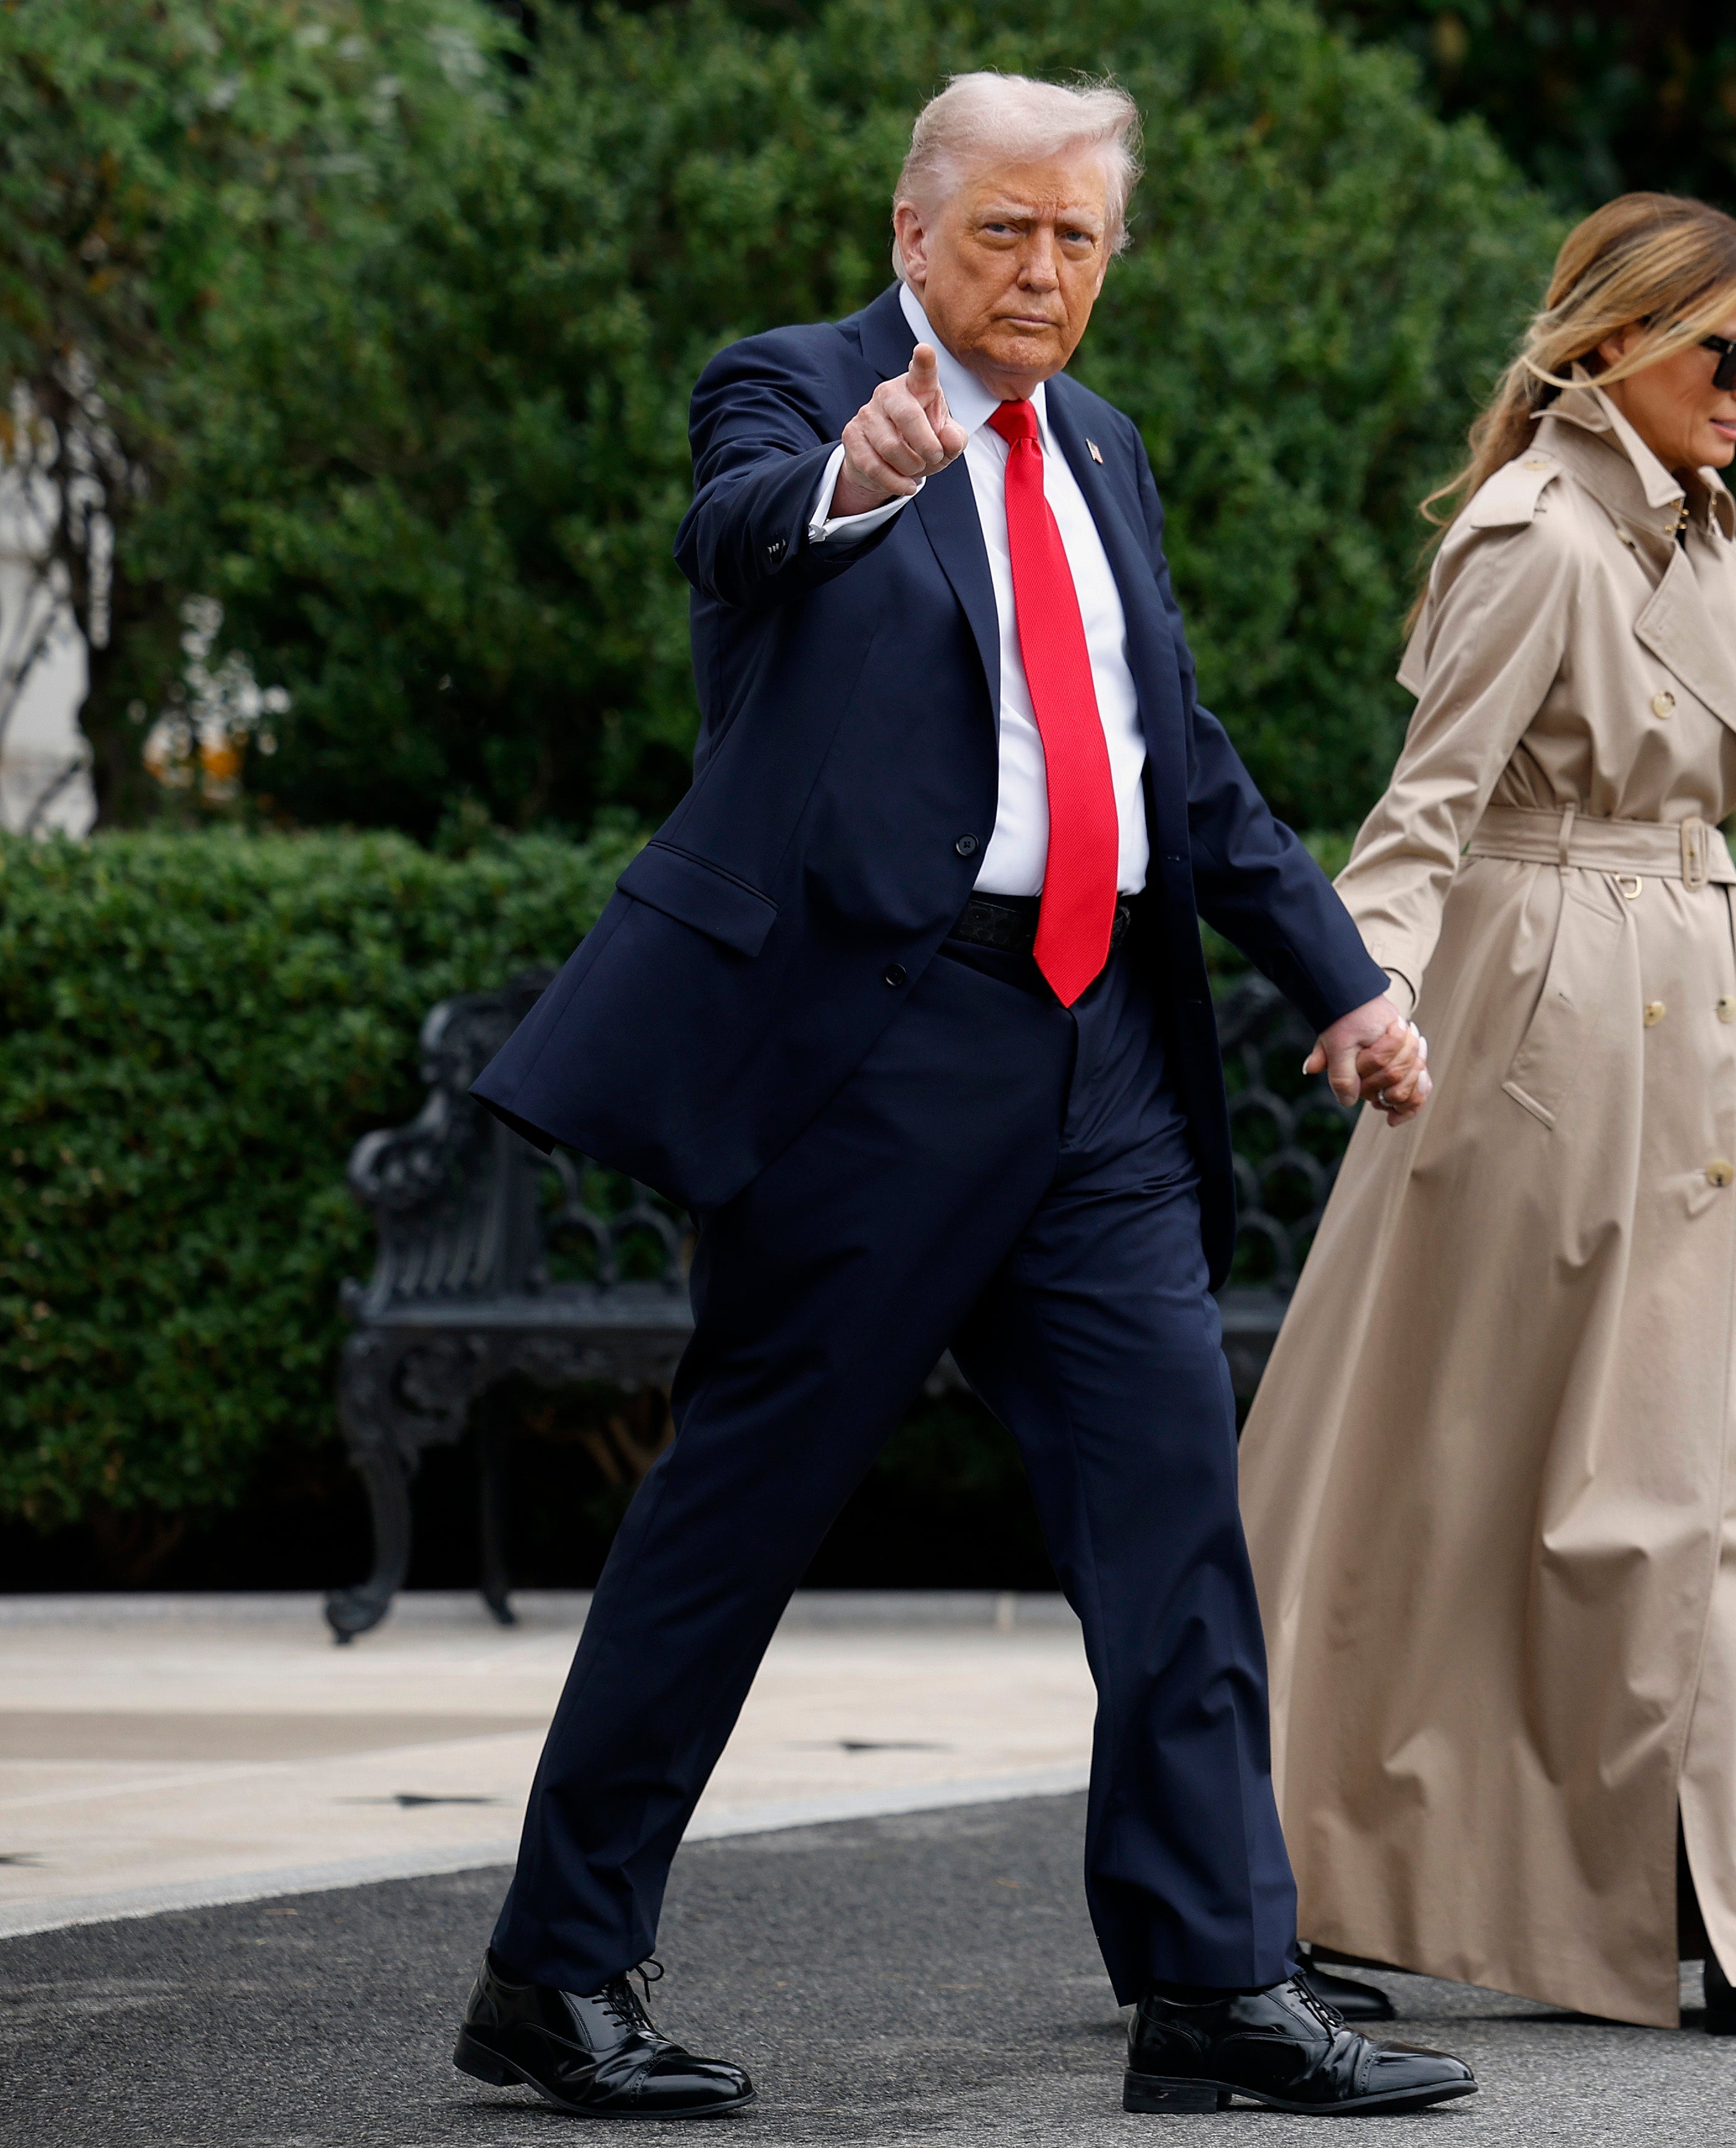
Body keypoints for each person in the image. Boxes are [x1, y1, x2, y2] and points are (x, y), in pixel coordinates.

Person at [449, 74, 1471, 2120]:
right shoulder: (800, 387)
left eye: (1081, 239)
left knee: (1178, 1521)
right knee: (733, 1523)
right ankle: (555, 1978)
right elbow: (737, 533)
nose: (1046, 272)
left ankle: (1212, 1988)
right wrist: (858, 475)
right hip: (875, 1060)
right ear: (914, 231)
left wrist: (1345, 982)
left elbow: (1176, 757)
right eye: (1007, 230)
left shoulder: (1103, 446)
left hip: (1093, 1060)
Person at [1237, 194, 1736, 2040]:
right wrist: (1375, 984)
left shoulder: (1684, 530)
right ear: (1609, 348)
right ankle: (1282, 1876)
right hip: (1543, 1017)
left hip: (1689, 996)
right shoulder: (1537, 540)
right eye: (1720, 353)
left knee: (1716, 1449)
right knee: (1459, 1465)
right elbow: (1430, 806)